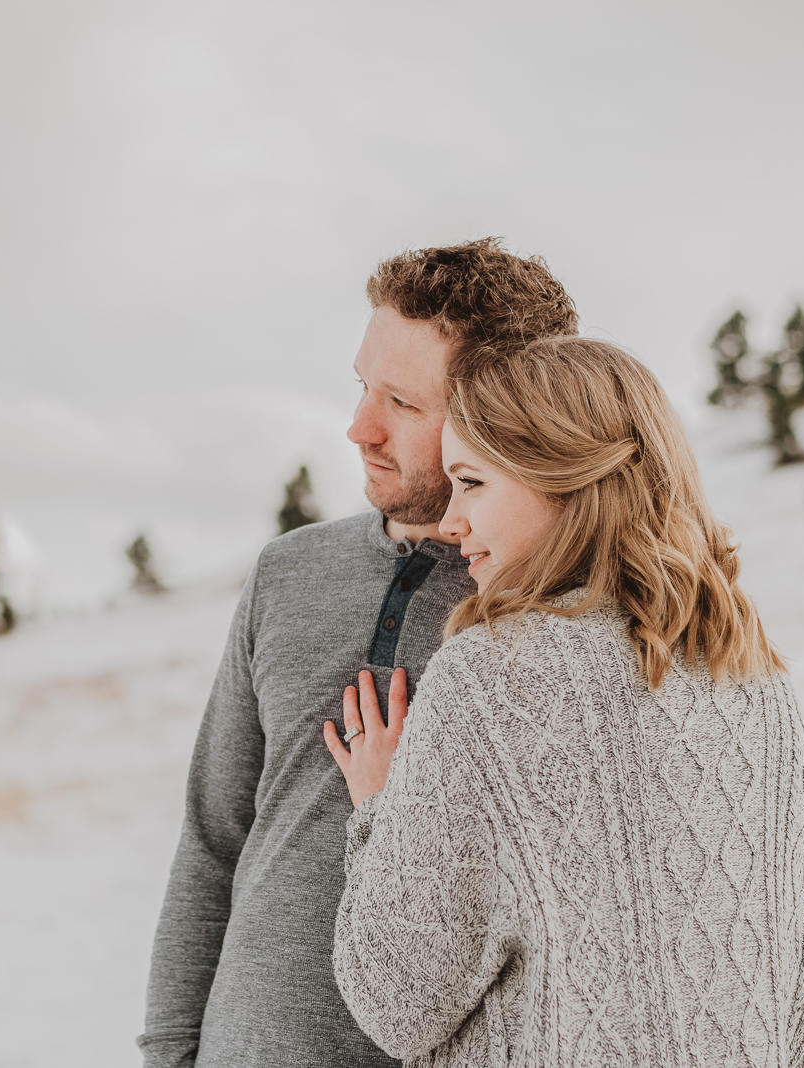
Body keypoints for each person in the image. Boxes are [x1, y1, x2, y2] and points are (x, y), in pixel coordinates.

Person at [325, 337, 804, 1067]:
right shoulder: (761, 681)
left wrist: (380, 805)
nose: (450, 522)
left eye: (471, 483)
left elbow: (396, 1001)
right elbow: (802, 997)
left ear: (563, 477)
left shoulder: (488, 677)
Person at [139, 239, 579, 1067]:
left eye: (404, 405)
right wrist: (171, 1051)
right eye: (362, 387)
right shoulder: (288, 572)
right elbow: (212, 836)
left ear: (506, 410)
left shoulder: (554, 610)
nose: (359, 428)